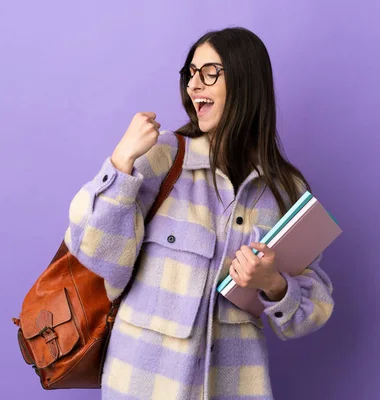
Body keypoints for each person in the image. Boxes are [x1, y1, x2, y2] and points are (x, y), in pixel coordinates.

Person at [64, 26, 334, 400]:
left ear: (245, 82)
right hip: (141, 386)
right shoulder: (161, 157)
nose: (194, 86)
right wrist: (121, 162)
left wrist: (274, 283)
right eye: (191, 73)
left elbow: (313, 308)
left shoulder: (287, 191)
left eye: (209, 73)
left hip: (235, 388)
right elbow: (95, 255)